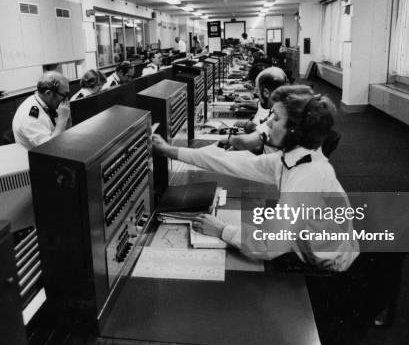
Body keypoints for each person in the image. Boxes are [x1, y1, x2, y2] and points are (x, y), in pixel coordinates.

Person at [152, 86, 359, 272]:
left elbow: (269, 245)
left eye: (276, 119)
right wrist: (170, 151)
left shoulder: (309, 175)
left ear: (295, 130)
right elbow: (228, 161)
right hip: (306, 248)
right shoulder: (290, 160)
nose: (268, 124)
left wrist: (223, 230)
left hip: (325, 269)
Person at [12, 71, 71, 150]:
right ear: (48, 93)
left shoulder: (47, 104)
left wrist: (67, 120)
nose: (67, 100)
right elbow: (51, 148)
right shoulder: (29, 116)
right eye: (65, 95)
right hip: (37, 159)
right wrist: (62, 119)